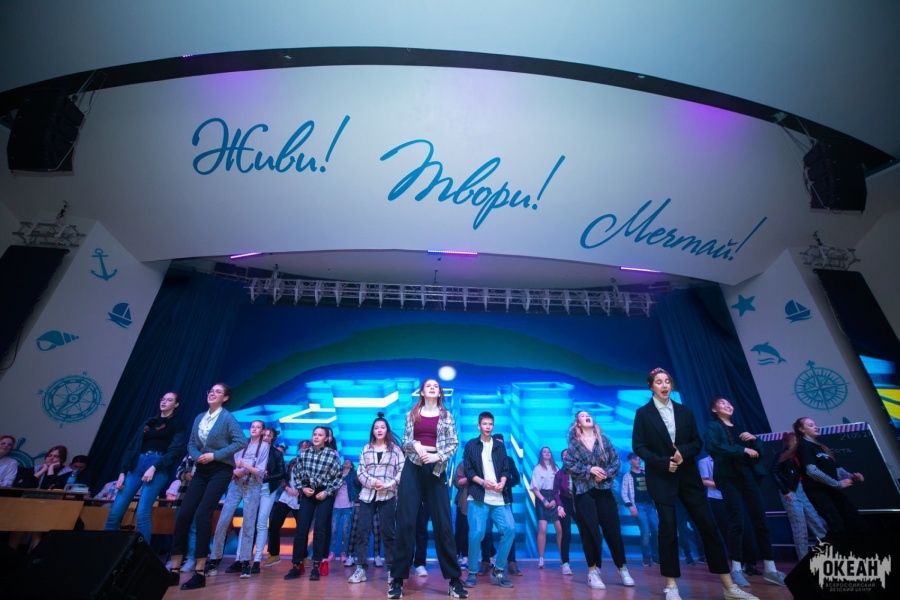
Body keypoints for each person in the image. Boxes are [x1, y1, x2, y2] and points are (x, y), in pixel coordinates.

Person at [632, 368, 757, 600]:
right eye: (659, 382)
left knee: (708, 527)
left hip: (688, 476)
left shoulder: (685, 411)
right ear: (651, 386)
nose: (664, 385)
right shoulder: (643, 414)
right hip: (662, 478)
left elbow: (697, 442)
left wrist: (683, 452)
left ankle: (728, 586)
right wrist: (663, 462)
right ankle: (671, 586)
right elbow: (639, 446)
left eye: (667, 381)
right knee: (668, 530)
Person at [388, 378, 467, 600]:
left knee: (443, 524)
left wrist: (436, 456)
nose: (432, 387)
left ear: (439, 392)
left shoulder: (446, 416)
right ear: (422, 392)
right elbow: (405, 441)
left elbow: (453, 444)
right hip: (413, 467)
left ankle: (454, 580)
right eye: (428, 386)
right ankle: (397, 580)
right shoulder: (411, 414)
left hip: (436, 469)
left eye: (436, 386)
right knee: (405, 522)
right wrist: (416, 445)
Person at [167, 383, 248, 590]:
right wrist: (198, 456)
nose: (212, 393)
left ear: (225, 398)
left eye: (218, 392)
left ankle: (200, 572)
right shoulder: (199, 417)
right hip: (201, 469)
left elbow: (240, 441)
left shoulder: (227, 418)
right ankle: (174, 570)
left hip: (220, 470)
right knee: (184, 514)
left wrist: (215, 455)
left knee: (203, 515)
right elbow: (191, 444)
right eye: (211, 391)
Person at [705, 398, 786, 587]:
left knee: (760, 520)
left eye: (729, 403)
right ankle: (736, 568)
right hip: (728, 477)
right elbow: (713, 446)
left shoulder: (740, 427)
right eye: (722, 403)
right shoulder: (713, 427)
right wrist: (742, 449)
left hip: (748, 475)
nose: (728, 405)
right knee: (736, 521)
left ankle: (770, 569)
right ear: (714, 409)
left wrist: (755, 441)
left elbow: (758, 452)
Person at [564, 410, 633, 590]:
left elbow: (615, 462)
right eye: (582, 415)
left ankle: (622, 568)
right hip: (584, 492)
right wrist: (590, 470)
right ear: (578, 423)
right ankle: (593, 572)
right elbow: (569, 465)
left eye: (589, 415)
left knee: (613, 531)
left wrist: (604, 474)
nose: (587, 416)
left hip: (604, 490)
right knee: (590, 532)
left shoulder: (604, 441)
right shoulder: (574, 444)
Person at [104, 391, 186, 543]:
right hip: (137, 463)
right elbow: (132, 447)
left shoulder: (177, 423)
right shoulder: (149, 422)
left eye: (169, 400)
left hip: (158, 465)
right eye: (163, 399)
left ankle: (142, 552)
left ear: (176, 404)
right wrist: (123, 472)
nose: (164, 402)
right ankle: (107, 548)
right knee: (115, 511)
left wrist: (154, 467)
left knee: (142, 513)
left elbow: (176, 451)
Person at [206, 419, 270, 579]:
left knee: (248, 523)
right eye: (252, 426)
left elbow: (260, 471)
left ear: (262, 431)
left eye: (258, 427)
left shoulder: (264, 446)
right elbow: (231, 463)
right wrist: (235, 470)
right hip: (236, 484)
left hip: (252, 485)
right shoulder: (241, 444)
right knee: (223, 520)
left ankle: (245, 562)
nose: (254, 429)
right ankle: (214, 559)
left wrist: (244, 467)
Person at [461, 411, 515, 589]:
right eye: (485, 424)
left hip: (499, 496)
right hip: (478, 496)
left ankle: (498, 570)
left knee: (510, 529)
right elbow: (469, 471)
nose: (488, 427)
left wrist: (502, 483)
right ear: (479, 426)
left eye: (490, 424)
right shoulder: (471, 445)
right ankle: (472, 572)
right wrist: (484, 483)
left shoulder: (499, 446)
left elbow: (506, 469)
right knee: (476, 534)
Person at [348, 412, 404, 584]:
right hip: (367, 495)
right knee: (362, 532)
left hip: (387, 495)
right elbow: (360, 471)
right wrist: (373, 482)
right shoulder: (366, 448)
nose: (379, 430)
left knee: (389, 533)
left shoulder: (395, 450)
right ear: (372, 430)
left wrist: (388, 484)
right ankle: (361, 568)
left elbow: (402, 471)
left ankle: (391, 569)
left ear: (387, 430)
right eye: (376, 428)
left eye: (382, 427)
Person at [283, 426, 343, 582]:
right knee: (301, 529)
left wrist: (327, 492)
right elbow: (297, 474)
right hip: (308, 492)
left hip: (325, 493)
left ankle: (316, 565)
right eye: (314, 434)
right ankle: (296, 565)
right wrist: (303, 488)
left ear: (326, 438)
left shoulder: (331, 455)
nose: (316, 437)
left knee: (320, 529)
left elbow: (338, 479)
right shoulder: (305, 454)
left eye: (320, 435)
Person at [793, 417, 867, 537]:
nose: (815, 427)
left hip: (833, 491)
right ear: (801, 429)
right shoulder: (804, 446)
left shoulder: (820, 447)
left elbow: (836, 469)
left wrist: (852, 477)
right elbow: (811, 470)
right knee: (837, 526)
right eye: (811, 425)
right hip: (820, 493)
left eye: (815, 424)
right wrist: (837, 484)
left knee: (854, 519)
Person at [770, 431, 827, 559]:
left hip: (802, 489)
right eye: (795, 439)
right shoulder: (783, 455)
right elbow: (773, 472)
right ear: (790, 441)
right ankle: (803, 558)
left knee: (817, 522)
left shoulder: (801, 454)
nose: (798, 441)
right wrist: (785, 490)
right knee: (800, 527)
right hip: (790, 491)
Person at [248, 427, 285, 571]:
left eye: (269, 435)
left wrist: (264, 479)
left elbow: (281, 473)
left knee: (262, 523)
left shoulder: (276, 453)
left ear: (273, 438)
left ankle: (257, 560)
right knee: (248, 522)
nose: (266, 437)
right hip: (250, 487)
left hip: (267, 489)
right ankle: (242, 558)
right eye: (264, 434)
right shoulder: (251, 449)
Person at [265, 442, 304, 568]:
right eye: (301, 448)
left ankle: (303, 556)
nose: (303, 450)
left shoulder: (312, 463)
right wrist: (287, 488)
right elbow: (284, 477)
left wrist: (300, 491)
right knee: (274, 524)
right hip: (286, 496)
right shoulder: (293, 461)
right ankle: (274, 554)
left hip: (301, 499)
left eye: (306, 448)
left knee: (302, 529)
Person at [622, 452, 659, 567]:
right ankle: (646, 557)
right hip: (638, 506)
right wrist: (631, 507)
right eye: (635, 459)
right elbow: (624, 493)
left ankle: (656, 557)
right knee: (645, 532)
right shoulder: (628, 476)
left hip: (650, 505)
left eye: (639, 459)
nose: (638, 461)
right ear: (630, 461)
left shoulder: (646, 472)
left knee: (656, 531)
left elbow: (655, 485)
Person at [530, 446, 562, 569]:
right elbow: (534, 488)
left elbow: (560, 487)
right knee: (543, 529)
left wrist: (554, 500)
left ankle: (563, 558)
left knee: (560, 529)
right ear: (541, 454)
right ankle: (541, 558)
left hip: (554, 497)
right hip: (541, 497)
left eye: (549, 451)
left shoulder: (556, 468)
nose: (547, 453)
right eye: (544, 451)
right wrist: (544, 501)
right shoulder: (537, 468)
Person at [553, 448, 583, 576]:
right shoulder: (559, 474)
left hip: (579, 503)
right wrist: (559, 506)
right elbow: (555, 492)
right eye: (564, 455)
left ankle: (593, 563)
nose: (566, 456)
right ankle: (565, 563)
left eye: (568, 454)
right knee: (566, 533)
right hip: (565, 503)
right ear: (562, 459)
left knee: (586, 531)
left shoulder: (580, 471)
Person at [331, 458, 358, 566]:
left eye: (348, 462)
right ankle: (332, 552)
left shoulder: (353, 475)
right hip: (336, 506)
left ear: (351, 466)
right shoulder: (337, 474)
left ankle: (343, 553)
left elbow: (356, 486)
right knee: (333, 529)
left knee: (345, 531)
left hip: (348, 506)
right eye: (345, 461)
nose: (346, 462)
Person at [453, 460, 469, 570]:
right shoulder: (463, 464)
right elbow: (457, 481)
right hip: (464, 501)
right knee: (462, 529)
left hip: (482, 501)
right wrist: (472, 478)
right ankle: (463, 556)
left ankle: (487, 559)